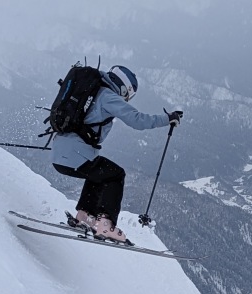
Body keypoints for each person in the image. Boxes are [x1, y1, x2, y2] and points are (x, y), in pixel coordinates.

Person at [51, 65, 180, 244]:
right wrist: (167, 119)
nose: (127, 98)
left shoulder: (92, 89)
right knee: (115, 175)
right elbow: (137, 120)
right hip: (75, 155)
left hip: (59, 155)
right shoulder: (108, 96)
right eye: (129, 94)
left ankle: (84, 215)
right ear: (124, 89)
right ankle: (106, 224)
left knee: (98, 171)